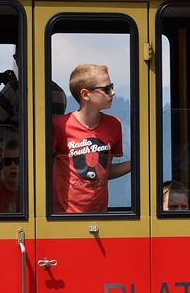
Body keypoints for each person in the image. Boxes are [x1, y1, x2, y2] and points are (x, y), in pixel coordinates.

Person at [52, 63, 131, 213]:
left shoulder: (114, 125)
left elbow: (104, 171)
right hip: (63, 216)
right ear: (85, 94)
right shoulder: (60, 126)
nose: (113, 92)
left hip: (100, 215)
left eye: (112, 86)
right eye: (107, 88)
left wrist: (139, 163)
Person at [0, 138, 21, 214]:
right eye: (7, 162)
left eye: (17, 161)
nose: (13, 166)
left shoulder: (34, 191)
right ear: (1, 166)